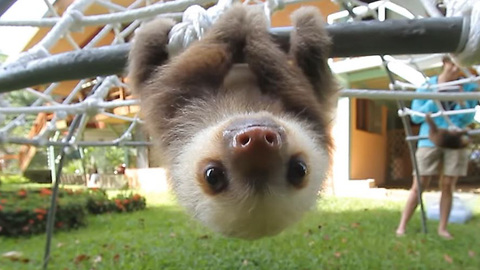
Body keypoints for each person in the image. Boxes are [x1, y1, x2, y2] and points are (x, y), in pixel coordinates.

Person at [395, 55, 479, 239]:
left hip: (455, 142)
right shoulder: (427, 86)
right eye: (454, 65)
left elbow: (466, 118)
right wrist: (436, 96)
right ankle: (402, 226)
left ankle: (442, 228)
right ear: (445, 63)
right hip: (429, 140)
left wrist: (462, 102)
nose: (457, 70)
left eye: (461, 67)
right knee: (419, 184)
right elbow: (416, 117)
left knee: (448, 184)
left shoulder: (467, 87)